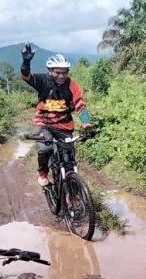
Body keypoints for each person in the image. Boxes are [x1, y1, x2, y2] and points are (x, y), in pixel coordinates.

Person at [20, 42, 93, 186]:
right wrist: (26, 62)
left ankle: (71, 192)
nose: (61, 76)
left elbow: (80, 105)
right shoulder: (43, 81)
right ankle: (42, 173)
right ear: (50, 71)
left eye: (64, 72)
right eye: (57, 72)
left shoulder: (72, 85)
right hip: (44, 124)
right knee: (45, 148)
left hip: (64, 126)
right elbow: (26, 76)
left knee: (69, 160)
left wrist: (87, 125)